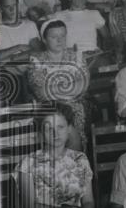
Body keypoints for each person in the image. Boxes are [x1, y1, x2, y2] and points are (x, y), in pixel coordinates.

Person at [27, 20, 91, 149]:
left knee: (73, 122)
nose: (60, 40)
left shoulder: (77, 57)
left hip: (75, 109)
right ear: (44, 39)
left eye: (63, 36)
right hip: (49, 109)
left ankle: (75, 163)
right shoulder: (36, 60)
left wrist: (52, 88)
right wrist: (70, 85)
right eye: (54, 37)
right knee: (57, 124)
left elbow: (82, 86)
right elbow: (42, 93)